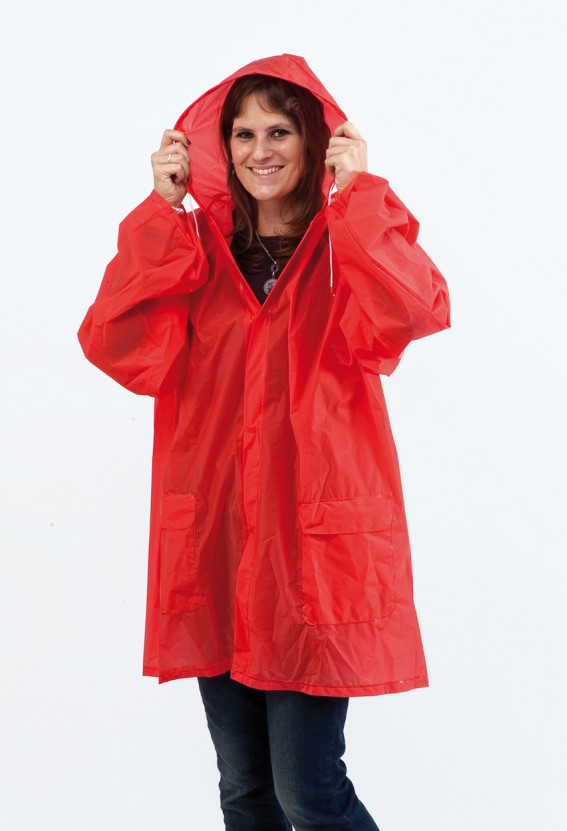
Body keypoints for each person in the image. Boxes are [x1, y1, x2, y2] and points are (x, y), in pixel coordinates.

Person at [78, 54, 450, 831]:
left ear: (316, 141)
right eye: (242, 134)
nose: (260, 150)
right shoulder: (196, 254)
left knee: (309, 791)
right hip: (220, 546)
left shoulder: (344, 248)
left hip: (313, 558)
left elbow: (413, 310)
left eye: (279, 130)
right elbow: (116, 343)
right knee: (245, 789)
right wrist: (160, 211)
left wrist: (360, 198)